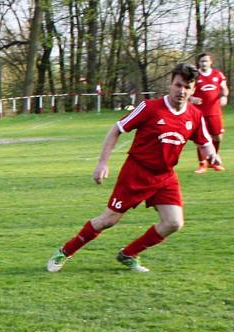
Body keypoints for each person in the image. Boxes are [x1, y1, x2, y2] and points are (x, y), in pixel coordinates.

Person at [46, 63, 220, 274]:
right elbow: (116, 130)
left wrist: (212, 155)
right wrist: (103, 162)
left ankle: (128, 254)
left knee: (174, 222)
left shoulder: (195, 115)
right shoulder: (149, 107)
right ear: (171, 84)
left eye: (186, 87)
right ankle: (65, 251)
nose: (181, 91)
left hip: (165, 176)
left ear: (193, 90)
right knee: (108, 220)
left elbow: (204, 142)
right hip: (136, 173)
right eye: (178, 85)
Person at [190, 52, 228, 173]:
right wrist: (192, 99)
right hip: (199, 113)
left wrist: (224, 96)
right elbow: (188, 91)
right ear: (199, 63)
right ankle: (202, 164)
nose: (204, 63)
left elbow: (224, 89)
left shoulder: (218, 74)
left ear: (211, 62)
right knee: (201, 138)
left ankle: (213, 161)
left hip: (215, 112)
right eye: (202, 61)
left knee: (217, 137)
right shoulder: (195, 76)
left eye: (206, 61)